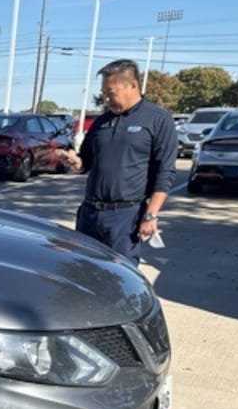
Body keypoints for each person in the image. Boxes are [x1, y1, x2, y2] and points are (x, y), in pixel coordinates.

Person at [60, 59, 177, 266]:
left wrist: (151, 216)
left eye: (111, 92)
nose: (106, 98)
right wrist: (74, 162)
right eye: (104, 92)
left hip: (125, 217)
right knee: (84, 271)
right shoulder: (102, 122)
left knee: (120, 278)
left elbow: (165, 172)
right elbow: (85, 163)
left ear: (133, 85)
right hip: (89, 213)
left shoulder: (158, 119)